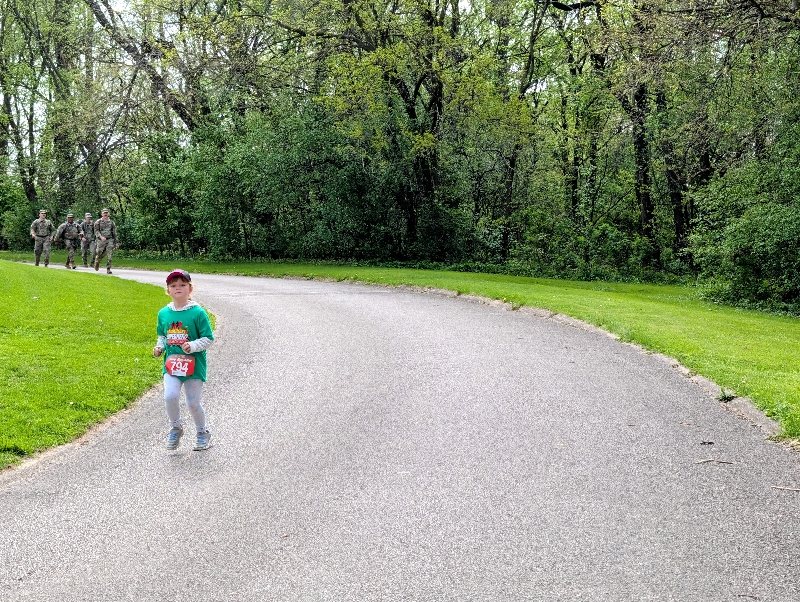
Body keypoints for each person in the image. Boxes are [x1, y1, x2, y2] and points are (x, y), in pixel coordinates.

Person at [152, 269, 215, 451]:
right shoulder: (164, 313)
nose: (178, 288)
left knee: (193, 403)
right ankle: (175, 428)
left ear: (190, 289)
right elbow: (163, 336)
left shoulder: (198, 313)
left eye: (182, 284)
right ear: (168, 290)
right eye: (173, 285)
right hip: (172, 365)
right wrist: (160, 347)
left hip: (193, 366)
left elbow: (208, 338)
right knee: (170, 396)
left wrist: (193, 346)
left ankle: (202, 433)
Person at [93, 207, 118, 274]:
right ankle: (97, 261)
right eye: (104, 213)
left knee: (109, 255)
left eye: (106, 213)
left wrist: (116, 242)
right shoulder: (98, 222)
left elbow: (114, 232)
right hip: (101, 240)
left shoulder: (111, 222)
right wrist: (101, 237)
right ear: (102, 214)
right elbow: (96, 231)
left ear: (108, 214)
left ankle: (108, 269)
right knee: (99, 253)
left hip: (109, 240)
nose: (105, 214)